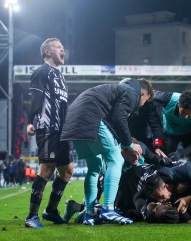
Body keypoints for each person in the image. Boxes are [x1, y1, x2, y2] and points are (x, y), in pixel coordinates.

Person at [60, 77, 154, 225]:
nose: (142, 105)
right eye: (145, 101)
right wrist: (129, 144)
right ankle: (108, 209)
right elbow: (119, 118)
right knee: (116, 160)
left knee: (94, 166)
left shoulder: (117, 90)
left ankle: (90, 212)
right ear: (143, 94)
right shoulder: (132, 93)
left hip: (73, 121)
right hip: (91, 116)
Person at [63, 137, 174, 224]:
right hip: (115, 185)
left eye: (138, 154)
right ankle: (85, 211)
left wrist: (169, 161)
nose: (136, 158)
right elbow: (102, 180)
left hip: (132, 182)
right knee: (121, 211)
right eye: (132, 155)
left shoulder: (141, 148)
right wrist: (94, 201)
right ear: (122, 153)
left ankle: (78, 207)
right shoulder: (113, 161)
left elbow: (156, 159)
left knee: (128, 210)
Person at [25, 38, 74, 228]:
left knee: (67, 170)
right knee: (46, 170)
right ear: (47, 52)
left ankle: (51, 211)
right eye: (58, 47)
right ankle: (31, 216)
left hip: (63, 131)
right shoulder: (41, 72)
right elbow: (36, 97)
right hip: (48, 128)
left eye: (63, 47)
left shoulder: (60, 76)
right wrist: (30, 121)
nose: (63, 50)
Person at [154, 90, 191, 160]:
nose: (185, 117)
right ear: (178, 104)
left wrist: (180, 154)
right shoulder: (167, 97)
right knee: (165, 159)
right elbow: (150, 93)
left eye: (189, 114)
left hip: (188, 134)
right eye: (183, 112)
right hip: (170, 132)